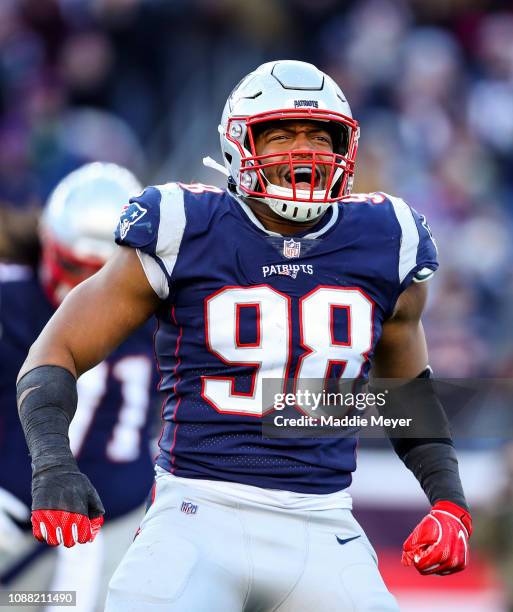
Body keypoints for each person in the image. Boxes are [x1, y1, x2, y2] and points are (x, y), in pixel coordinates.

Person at [16, 61, 472, 611]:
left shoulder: (386, 238)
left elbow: (406, 394)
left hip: (324, 521)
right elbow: (56, 349)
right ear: (239, 147)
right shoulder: (185, 226)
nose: (302, 152)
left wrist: (449, 503)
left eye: (317, 136)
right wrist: (53, 462)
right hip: (197, 513)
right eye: (280, 135)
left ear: (345, 148)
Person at [1, 163, 160, 612]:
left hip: (107, 515)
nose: (79, 290)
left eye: (99, 274)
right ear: (49, 242)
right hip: (13, 499)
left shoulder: (164, 314)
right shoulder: (11, 298)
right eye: (73, 266)